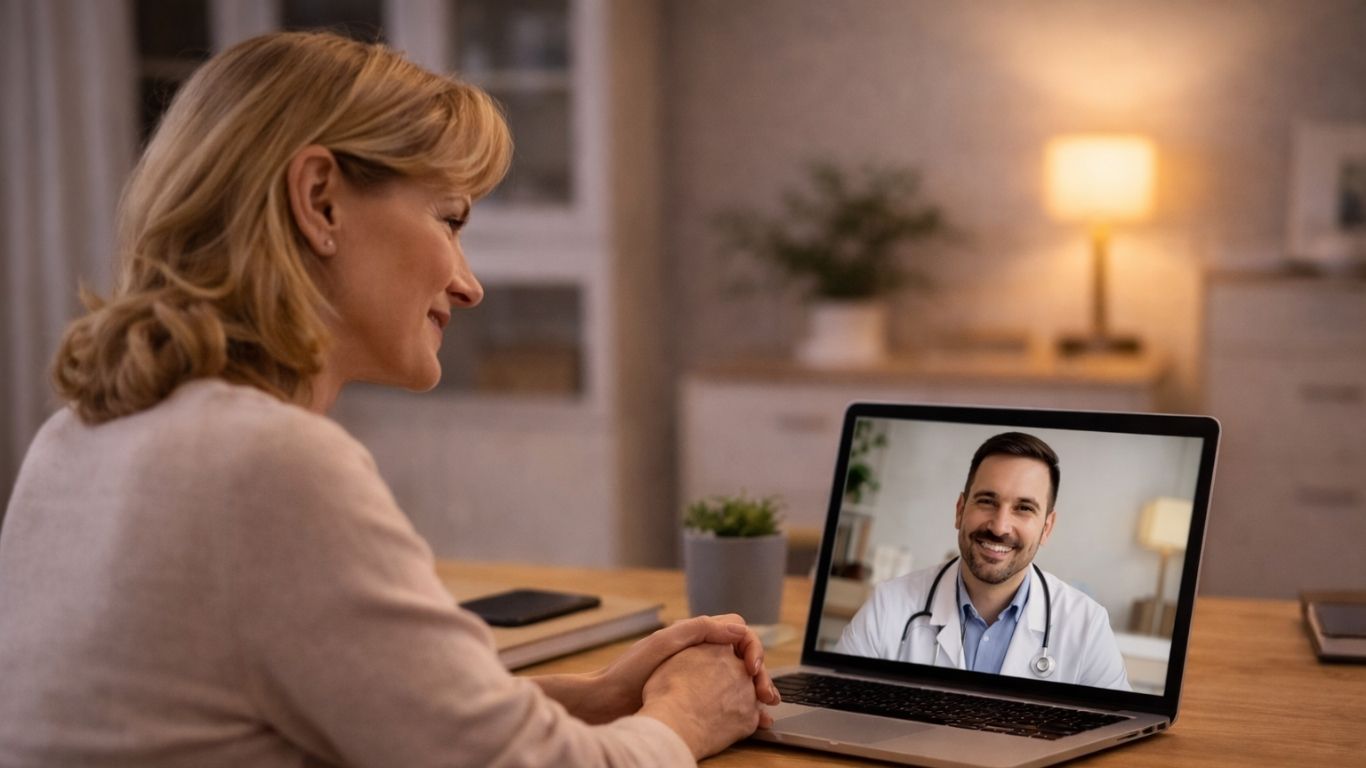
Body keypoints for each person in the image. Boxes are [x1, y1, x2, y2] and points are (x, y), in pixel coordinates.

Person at [0, 31, 778, 767]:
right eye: (449, 219)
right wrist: (684, 717)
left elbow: (357, 717)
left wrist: (602, 697)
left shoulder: (75, 440)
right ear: (321, 201)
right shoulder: (266, 466)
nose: (469, 284)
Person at [835, 432, 1131, 691]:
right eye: (987, 501)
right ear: (960, 509)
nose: (1000, 526)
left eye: (1024, 508)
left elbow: (1119, 739)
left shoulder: (1087, 625)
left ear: (1047, 528)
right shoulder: (889, 604)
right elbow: (835, 710)